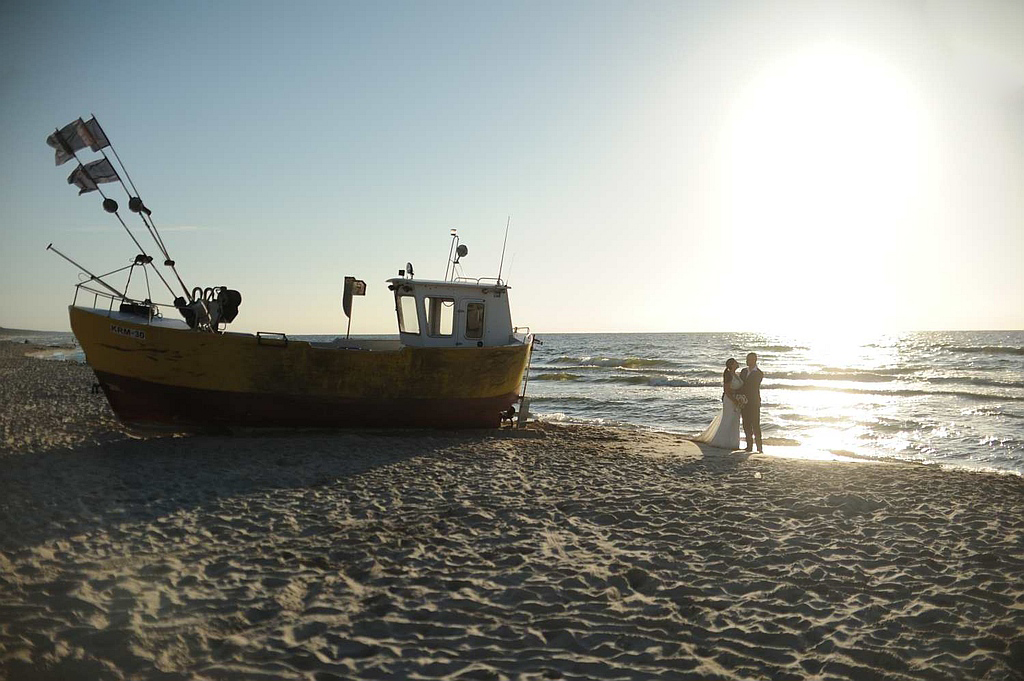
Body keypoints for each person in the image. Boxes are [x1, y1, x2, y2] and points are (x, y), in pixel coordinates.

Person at [695, 358, 745, 450]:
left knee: (735, 420)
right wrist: (734, 400)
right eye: (735, 362)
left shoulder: (736, 375)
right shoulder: (729, 375)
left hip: (736, 398)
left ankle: (733, 442)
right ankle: (723, 442)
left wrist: (739, 398)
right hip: (730, 400)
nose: (737, 363)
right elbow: (726, 390)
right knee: (728, 419)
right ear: (732, 365)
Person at [739, 352, 764, 452]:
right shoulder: (744, 371)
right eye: (747, 359)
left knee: (755, 424)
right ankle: (749, 446)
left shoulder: (759, 373)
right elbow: (740, 384)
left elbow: (752, 386)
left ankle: (759, 447)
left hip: (754, 401)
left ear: (754, 360)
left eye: (749, 359)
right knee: (746, 424)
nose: (747, 361)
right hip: (744, 401)